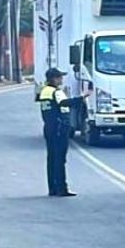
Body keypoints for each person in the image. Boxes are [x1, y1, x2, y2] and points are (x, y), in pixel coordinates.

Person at [37, 68, 89, 197]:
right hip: (59, 128)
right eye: (60, 77)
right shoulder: (56, 92)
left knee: (51, 158)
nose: (61, 79)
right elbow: (65, 103)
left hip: (49, 127)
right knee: (60, 159)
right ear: (54, 79)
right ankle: (62, 188)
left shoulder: (44, 91)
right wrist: (82, 97)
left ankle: (52, 188)